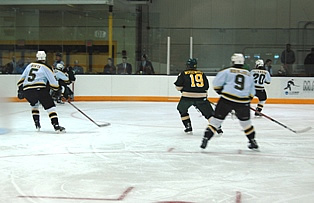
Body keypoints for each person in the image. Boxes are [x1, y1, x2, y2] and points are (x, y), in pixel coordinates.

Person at [200, 53, 257, 150]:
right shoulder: (248, 75)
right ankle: (252, 141)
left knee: (216, 121)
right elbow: (252, 92)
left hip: (226, 100)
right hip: (242, 102)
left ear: (233, 61)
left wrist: (222, 93)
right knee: (246, 123)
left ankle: (206, 138)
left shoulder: (226, 71)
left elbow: (216, 85)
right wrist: (246, 101)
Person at [16, 51, 65, 132]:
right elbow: (53, 82)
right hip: (39, 89)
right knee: (50, 107)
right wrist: (57, 90)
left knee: (34, 105)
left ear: (36, 57)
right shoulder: (46, 67)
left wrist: (20, 90)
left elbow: (21, 80)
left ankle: (37, 124)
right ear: (45, 58)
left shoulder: (30, 65)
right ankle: (56, 125)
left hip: (27, 90)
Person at [174, 58, 222, 135]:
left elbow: (178, 87)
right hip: (201, 97)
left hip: (187, 97)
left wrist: (184, 90)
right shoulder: (201, 73)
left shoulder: (183, 73)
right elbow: (206, 87)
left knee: (181, 109)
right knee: (209, 114)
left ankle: (188, 127)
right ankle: (218, 127)